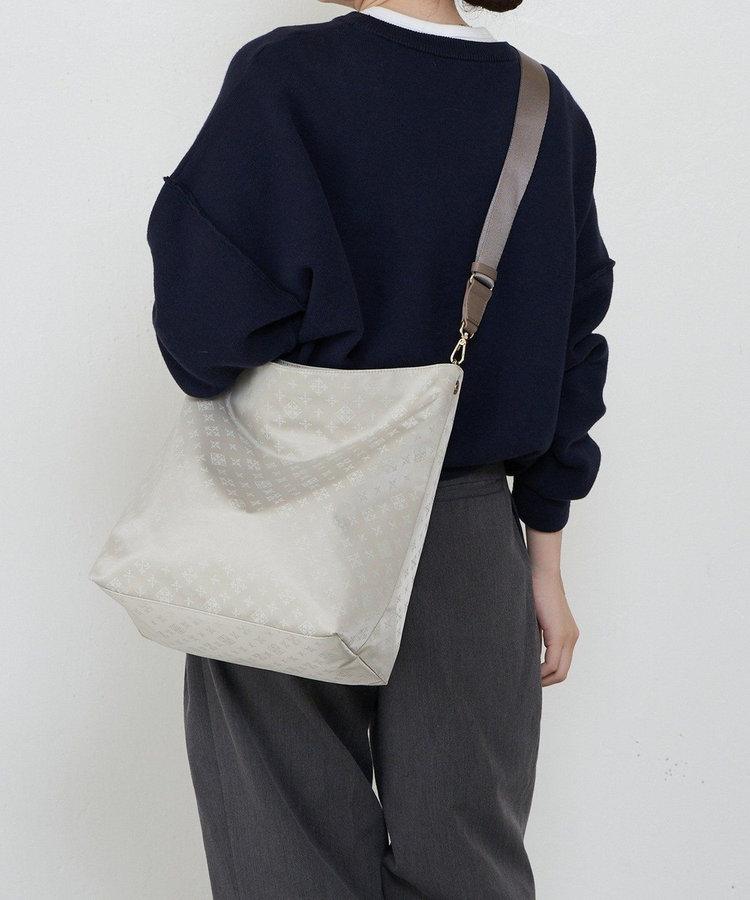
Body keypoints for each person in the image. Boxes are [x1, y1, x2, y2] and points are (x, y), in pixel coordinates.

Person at [145, 1, 616, 896]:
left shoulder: (285, 78)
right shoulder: (544, 109)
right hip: (470, 532)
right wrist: (544, 564)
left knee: (284, 852)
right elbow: (572, 347)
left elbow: (202, 337)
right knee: (467, 859)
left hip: (294, 517)